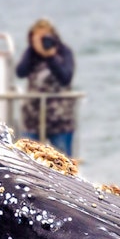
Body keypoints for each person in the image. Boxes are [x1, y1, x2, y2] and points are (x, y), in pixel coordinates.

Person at [15, 18, 77, 156]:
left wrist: (51, 56)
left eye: (46, 37)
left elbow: (65, 77)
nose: (43, 41)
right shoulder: (32, 54)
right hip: (32, 118)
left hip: (60, 118)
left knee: (63, 163)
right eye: (39, 38)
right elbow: (20, 71)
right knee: (28, 161)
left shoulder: (63, 52)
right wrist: (32, 49)